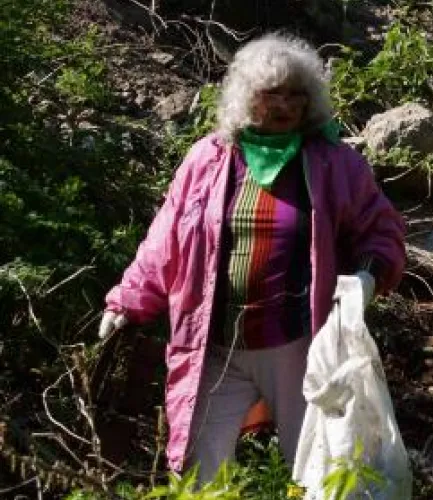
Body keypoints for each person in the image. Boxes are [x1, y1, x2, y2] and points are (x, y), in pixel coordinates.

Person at [97, 33, 406, 484]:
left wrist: (368, 276)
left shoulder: (334, 163)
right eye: (271, 93)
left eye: (296, 94)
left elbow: (383, 230)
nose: (285, 105)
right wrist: (125, 303)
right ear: (246, 97)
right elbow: (165, 238)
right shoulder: (208, 158)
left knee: (321, 469)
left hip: (299, 345)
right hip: (214, 346)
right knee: (199, 470)